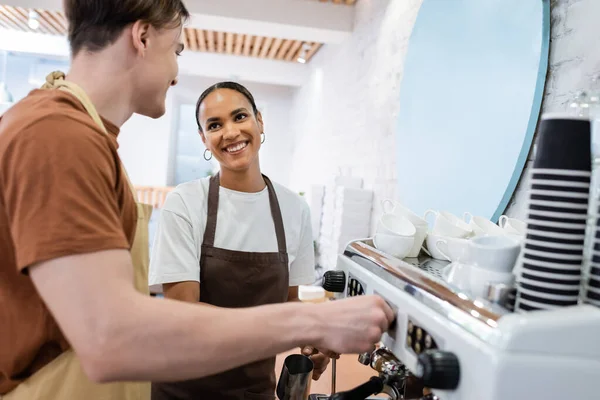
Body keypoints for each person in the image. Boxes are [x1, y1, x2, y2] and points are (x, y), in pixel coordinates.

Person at [0, 1, 395, 399]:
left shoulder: (88, 140)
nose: (175, 73)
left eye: (240, 117)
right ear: (142, 37)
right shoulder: (58, 136)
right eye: (177, 50)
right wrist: (311, 323)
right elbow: (109, 338)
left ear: (260, 122)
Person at [149, 82, 330, 399]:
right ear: (204, 139)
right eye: (215, 125)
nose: (230, 132)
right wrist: (283, 327)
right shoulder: (186, 202)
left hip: (254, 389)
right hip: (183, 388)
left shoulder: (294, 209)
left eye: (240, 117)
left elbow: (294, 300)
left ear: (260, 122)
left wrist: (314, 337)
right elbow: (184, 314)